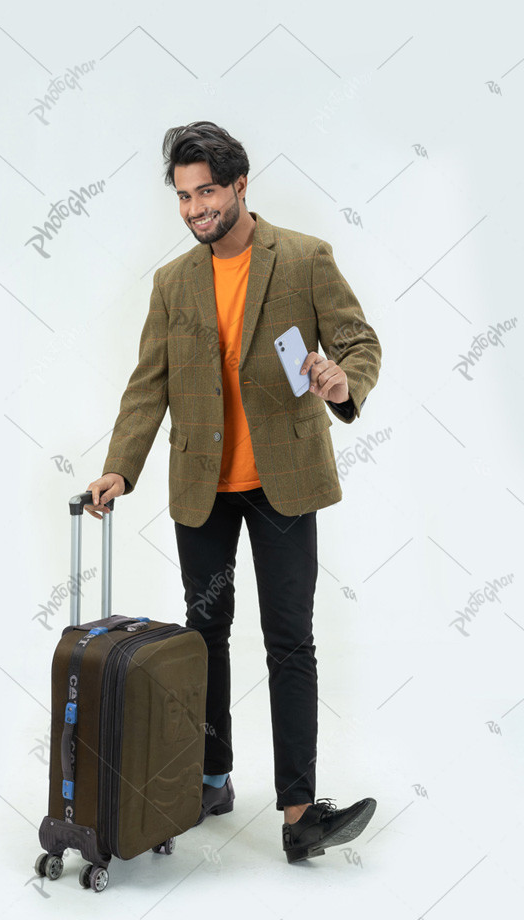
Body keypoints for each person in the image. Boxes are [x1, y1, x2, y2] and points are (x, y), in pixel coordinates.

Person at [85, 121, 382, 864]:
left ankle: (299, 814)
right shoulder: (174, 282)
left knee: (290, 642)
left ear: (240, 185)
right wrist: (121, 466)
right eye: (184, 197)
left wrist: (344, 382)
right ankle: (211, 779)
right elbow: (148, 383)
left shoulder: (305, 259)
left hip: (282, 484)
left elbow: (358, 341)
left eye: (207, 191)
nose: (195, 209)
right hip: (203, 488)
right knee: (204, 634)